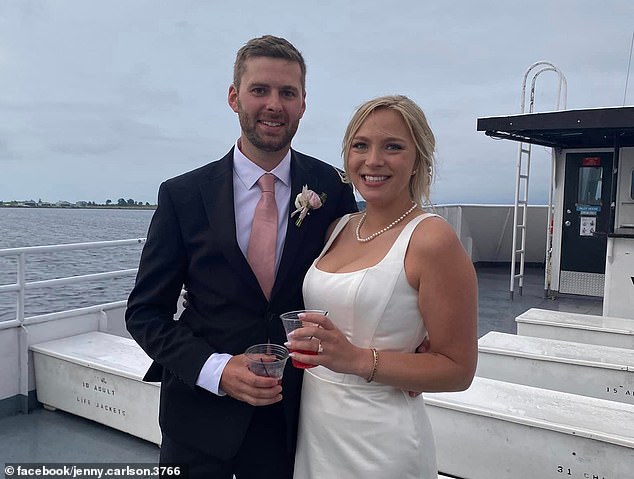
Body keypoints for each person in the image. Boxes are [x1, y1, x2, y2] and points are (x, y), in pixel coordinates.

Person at [125, 35, 357, 479]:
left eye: (288, 93)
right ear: (234, 98)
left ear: (303, 104)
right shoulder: (183, 195)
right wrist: (217, 369)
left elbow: (360, 272)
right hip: (198, 419)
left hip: (295, 418)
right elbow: (145, 313)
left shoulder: (331, 188)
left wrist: (401, 340)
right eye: (260, 90)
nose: (274, 104)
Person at [286, 95, 478, 478]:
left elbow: (458, 370)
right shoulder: (337, 228)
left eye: (393, 146)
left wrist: (359, 359)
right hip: (315, 429)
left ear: (417, 160)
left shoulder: (430, 239)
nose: (373, 160)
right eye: (361, 145)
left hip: (380, 442)